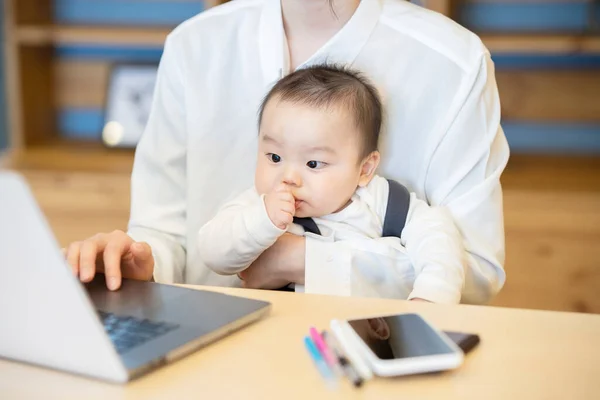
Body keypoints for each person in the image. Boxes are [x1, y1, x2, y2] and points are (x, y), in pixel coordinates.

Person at [63, 0, 509, 304]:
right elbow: (165, 237)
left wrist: (298, 261)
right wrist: (141, 266)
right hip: (209, 355)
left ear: (366, 167)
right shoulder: (193, 45)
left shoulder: (453, 63)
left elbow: (475, 271)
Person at [198, 65, 466, 303]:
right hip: (276, 337)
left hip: (361, 337)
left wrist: (432, 294)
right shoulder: (256, 206)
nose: (288, 177)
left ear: (365, 169)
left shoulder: (387, 203)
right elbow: (213, 253)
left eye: (313, 164)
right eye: (275, 157)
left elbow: (438, 239)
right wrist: (262, 220)